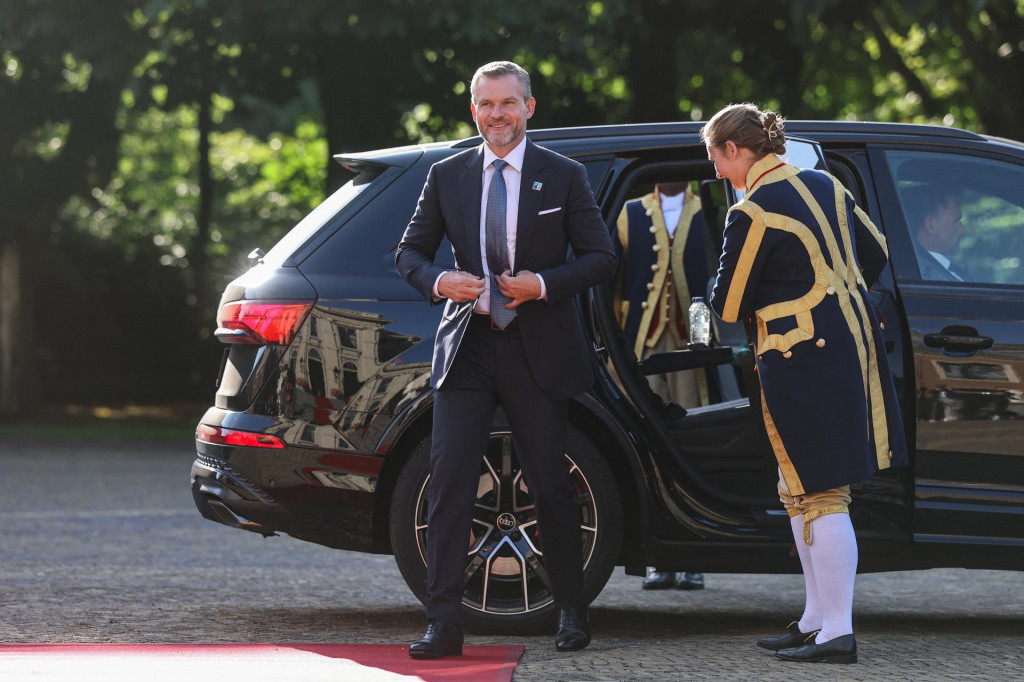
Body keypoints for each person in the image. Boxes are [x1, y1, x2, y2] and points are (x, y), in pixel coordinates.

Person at [395, 61, 616, 659]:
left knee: (550, 483)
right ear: (473, 109)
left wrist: (541, 284)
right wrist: (441, 280)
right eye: (486, 104)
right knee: (448, 484)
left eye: (508, 104)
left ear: (529, 107)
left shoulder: (564, 175)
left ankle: (571, 610)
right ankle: (443, 622)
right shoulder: (448, 175)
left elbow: (601, 257)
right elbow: (409, 253)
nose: (497, 114)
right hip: (467, 348)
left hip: (538, 349)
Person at [702, 103, 908, 664]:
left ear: (736, 151)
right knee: (799, 490)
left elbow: (728, 303)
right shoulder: (825, 182)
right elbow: (876, 253)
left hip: (801, 357)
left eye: (716, 158)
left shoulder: (752, 210)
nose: (717, 172)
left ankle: (838, 632)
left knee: (819, 491)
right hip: (843, 348)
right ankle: (817, 621)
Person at [613, 183, 707, 592]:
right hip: (642, 344)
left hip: (692, 345)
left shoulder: (707, 212)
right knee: (646, 444)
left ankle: (694, 554)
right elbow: (614, 283)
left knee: (693, 442)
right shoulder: (629, 213)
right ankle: (656, 556)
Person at [903, 186, 971, 281]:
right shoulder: (927, 276)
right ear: (931, 225)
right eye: (956, 221)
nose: (963, 230)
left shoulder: (921, 270)